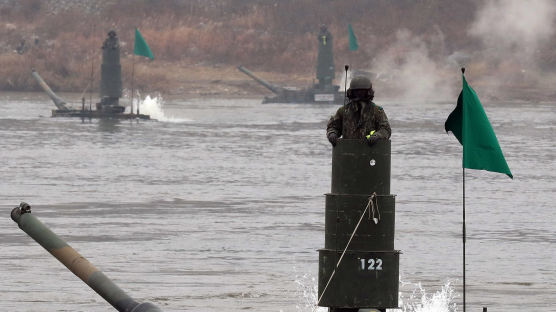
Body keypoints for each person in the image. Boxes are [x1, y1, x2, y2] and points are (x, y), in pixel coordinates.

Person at [326, 76, 391, 147]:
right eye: (357, 91)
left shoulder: (377, 111)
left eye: (362, 91)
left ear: (368, 92)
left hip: (370, 151)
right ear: (352, 92)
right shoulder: (343, 111)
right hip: (348, 151)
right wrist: (332, 134)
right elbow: (333, 127)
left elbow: (385, 129)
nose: (359, 93)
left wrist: (377, 136)